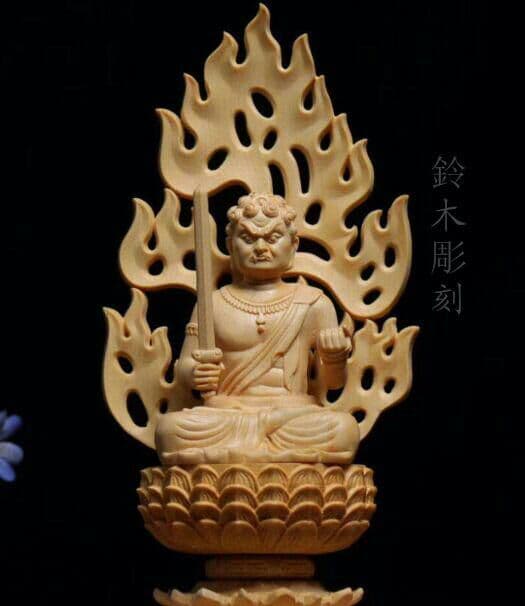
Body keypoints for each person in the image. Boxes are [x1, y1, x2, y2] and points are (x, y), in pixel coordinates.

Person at [155, 193, 359, 464]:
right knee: (169, 430)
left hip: (291, 414)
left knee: (344, 429)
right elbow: (185, 366)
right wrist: (195, 373)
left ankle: (238, 453)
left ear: (293, 245)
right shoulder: (212, 303)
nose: (261, 248)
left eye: (273, 238)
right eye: (248, 239)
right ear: (231, 245)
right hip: (227, 414)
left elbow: (333, 383)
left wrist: (334, 357)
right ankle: (267, 451)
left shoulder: (314, 303)